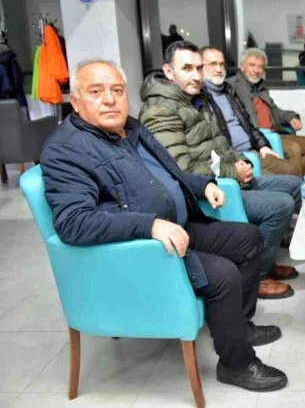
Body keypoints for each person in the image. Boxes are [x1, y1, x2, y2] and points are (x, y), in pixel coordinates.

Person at [40, 59, 288, 391]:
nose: (110, 99)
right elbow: (74, 223)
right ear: (76, 101)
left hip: (178, 227)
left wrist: (202, 184)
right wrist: (150, 226)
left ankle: (238, 327)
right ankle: (236, 363)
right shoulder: (66, 150)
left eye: (117, 90)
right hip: (148, 248)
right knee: (223, 274)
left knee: (249, 237)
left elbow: (168, 173)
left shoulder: (132, 128)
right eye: (96, 92)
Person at [139, 41, 301, 300]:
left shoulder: (197, 99)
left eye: (198, 68)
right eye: (187, 68)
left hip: (227, 178)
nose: (196, 75)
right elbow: (181, 170)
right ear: (169, 72)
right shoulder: (161, 110)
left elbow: (221, 142)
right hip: (205, 195)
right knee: (281, 205)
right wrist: (232, 172)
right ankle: (258, 277)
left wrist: (243, 162)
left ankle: (265, 260)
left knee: (294, 186)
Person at [225, 47, 305, 176]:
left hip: (275, 132)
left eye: (260, 67)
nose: (256, 70)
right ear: (242, 66)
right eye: (252, 65)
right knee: (294, 148)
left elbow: (274, 110)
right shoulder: (232, 86)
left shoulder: (261, 85)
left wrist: (291, 117)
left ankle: (300, 177)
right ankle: (296, 182)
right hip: (261, 137)